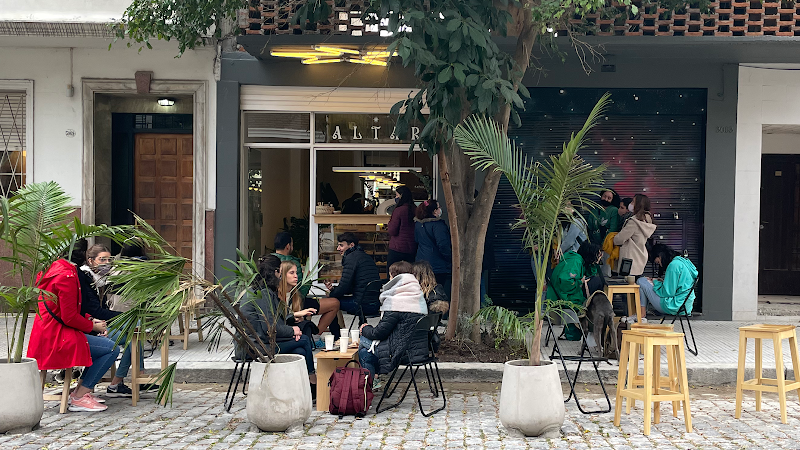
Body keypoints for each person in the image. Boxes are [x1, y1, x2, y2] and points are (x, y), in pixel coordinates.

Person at [27, 259, 119, 412]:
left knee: (103, 346)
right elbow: (69, 316)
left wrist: (90, 321)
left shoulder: (51, 271)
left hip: (46, 335)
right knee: (111, 348)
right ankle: (80, 395)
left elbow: (64, 311)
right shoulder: (67, 276)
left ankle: (80, 391)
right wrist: (93, 326)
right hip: (59, 337)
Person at [237, 255, 317, 391]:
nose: (281, 276)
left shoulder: (261, 290)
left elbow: (274, 320)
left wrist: (292, 322)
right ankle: (312, 381)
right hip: (255, 348)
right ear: (275, 272)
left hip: (261, 342)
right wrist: (293, 331)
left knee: (299, 350)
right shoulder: (263, 293)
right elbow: (270, 328)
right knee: (303, 340)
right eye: (280, 271)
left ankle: (298, 389)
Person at [358, 261, 428, 382]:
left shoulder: (396, 301)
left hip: (400, 352)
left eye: (390, 276)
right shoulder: (418, 297)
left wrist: (364, 328)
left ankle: (370, 384)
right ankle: (374, 378)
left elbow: (378, 333)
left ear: (395, 279)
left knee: (363, 344)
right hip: (420, 350)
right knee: (366, 351)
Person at [272, 232, 341, 339]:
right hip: (294, 303)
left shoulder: (268, 260)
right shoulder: (292, 263)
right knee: (334, 303)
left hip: (277, 304)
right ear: (288, 246)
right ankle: (316, 336)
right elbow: (301, 292)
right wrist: (308, 278)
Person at [546, 240, 605, 340]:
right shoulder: (575, 262)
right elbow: (565, 281)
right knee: (589, 302)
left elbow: (590, 273)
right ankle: (576, 333)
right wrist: (579, 282)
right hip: (561, 296)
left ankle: (579, 332)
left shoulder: (578, 259)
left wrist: (595, 262)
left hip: (564, 293)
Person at [278, 260, 340, 343]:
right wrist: (296, 315)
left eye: (296, 273)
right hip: (284, 332)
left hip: (295, 327)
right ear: (282, 275)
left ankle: (315, 337)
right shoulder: (276, 294)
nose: (296, 276)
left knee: (334, 303)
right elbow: (279, 318)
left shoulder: (295, 294)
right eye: (291, 273)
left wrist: (298, 318)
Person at [324, 232, 381, 316]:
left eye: (341, 245)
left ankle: (335, 329)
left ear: (351, 245)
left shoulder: (351, 258)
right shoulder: (365, 256)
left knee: (329, 303)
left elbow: (344, 286)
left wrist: (331, 294)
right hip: (374, 304)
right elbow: (357, 286)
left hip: (361, 305)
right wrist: (334, 289)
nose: (338, 248)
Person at [638, 244, 698, 318]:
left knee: (641, 281)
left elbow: (667, 293)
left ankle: (641, 314)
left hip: (674, 306)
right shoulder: (683, 262)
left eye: (658, 262)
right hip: (685, 306)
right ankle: (642, 313)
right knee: (644, 282)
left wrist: (655, 282)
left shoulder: (673, 265)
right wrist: (662, 282)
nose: (660, 265)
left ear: (660, 256)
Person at [414, 199, 452, 295]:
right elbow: (443, 245)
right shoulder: (438, 225)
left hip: (421, 262)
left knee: (424, 290)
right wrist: (450, 258)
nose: (440, 209)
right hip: (437, 264)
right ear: (435, 211)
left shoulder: (418, 224)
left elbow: (416, 240)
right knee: (437, 291)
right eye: (439, 207)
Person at [613, 193, 656, 277]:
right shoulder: (647, 220)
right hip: (640, 259)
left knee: (626, 288)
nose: (630, 204)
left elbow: (619, 239)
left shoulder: (634, 222)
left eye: (633, 202)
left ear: (638, 205)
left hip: (628, 261)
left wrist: (614, 237)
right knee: (634, 286)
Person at [387, 186, 417, 271]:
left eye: (397, 195)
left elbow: (392, 230)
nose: (396, 198)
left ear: (402, 196)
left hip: (397, 247)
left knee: (393, 272)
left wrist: (389, 224)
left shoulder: (399, 210)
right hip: (412, 247)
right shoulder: (415, 209)